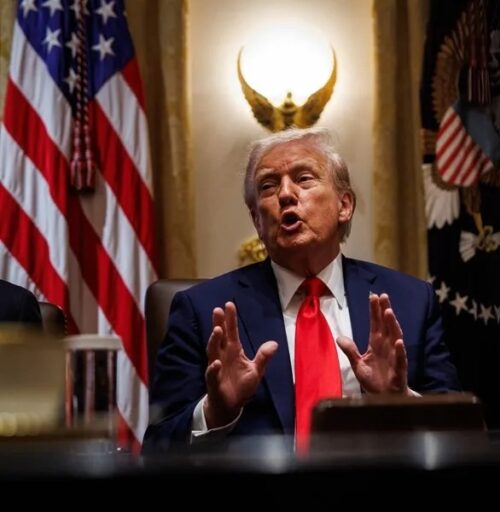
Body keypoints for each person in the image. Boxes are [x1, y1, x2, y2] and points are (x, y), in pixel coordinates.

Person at [143, 127, 460, 452]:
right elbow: (156, 448)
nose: (285, 194)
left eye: (304, 179)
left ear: (344, 205)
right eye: (268, 186)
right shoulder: (204, 311)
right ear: (257, 221)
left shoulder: (411, 302)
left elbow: (460, 436)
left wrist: (400, 401)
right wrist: (216, 411)